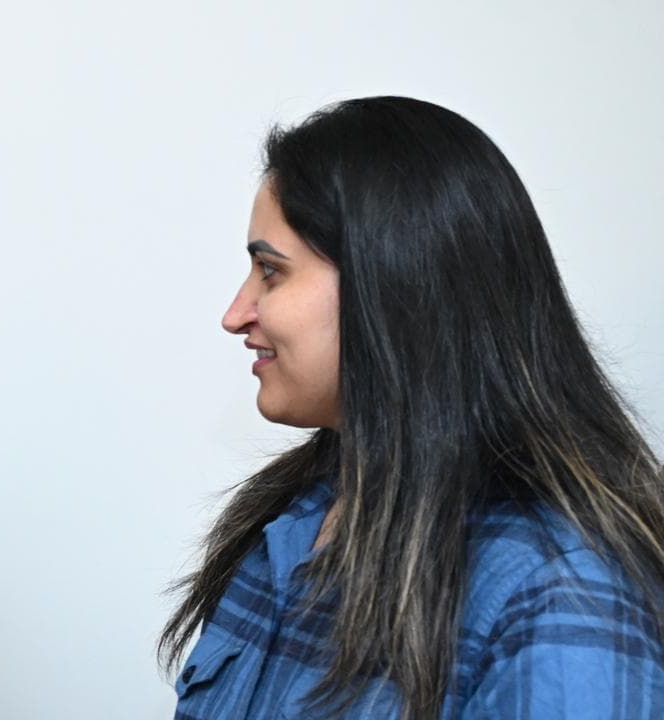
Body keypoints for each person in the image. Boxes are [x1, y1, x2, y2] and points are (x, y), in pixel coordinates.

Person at [161, 96, 664, 719]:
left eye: (271, 271)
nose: (236, 314)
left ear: (394, 285)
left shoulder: (560, 594)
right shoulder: (290, 522)